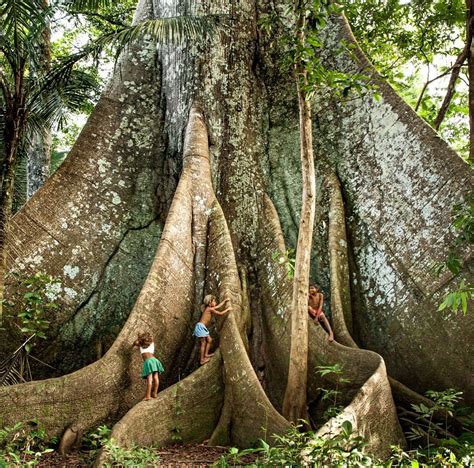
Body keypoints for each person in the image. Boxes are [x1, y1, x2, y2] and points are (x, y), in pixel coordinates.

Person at [194, 294, 232, 365]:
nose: (215, 302)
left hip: (202, 327)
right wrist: (227, 309)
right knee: (203, 343)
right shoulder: (210, 309)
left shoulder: (209, 308)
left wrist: (224, 301)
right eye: (214, 301)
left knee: (209, 340)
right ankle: (202, 360)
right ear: (210, 303)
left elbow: (218, 306)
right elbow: (220, 313)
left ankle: (206, 355)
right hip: (200, 327)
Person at [133, 331, 165, 401]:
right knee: (156, 378)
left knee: (149, 380)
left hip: (148, 362)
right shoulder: (152, 343)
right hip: (155, 360)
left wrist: (138, 338)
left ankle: (148, 396)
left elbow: (135, 343)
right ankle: (155, 393)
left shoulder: (140, 344)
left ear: (141, 340)